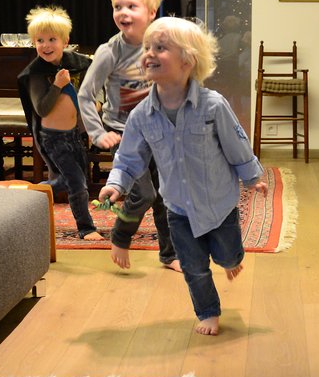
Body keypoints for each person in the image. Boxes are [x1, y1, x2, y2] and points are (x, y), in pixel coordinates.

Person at [98, 17, 267, 336]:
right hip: (177, 208)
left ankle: (232, 259)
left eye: (160, 47)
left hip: (220, 204)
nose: (148, 53)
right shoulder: (141, 115)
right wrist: (115, 184)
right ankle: (207, 311)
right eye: (147, 47)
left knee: (228, 255)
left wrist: (251, 177)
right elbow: (130, 157)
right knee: (193, 267)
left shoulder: (213, 106)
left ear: (188, 60)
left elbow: (236, 144)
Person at [78, 0, 179, 271]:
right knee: (144, 193)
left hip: (158, 133)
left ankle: (170, 254)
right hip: (122, 133)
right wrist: (98, 134)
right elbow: (85, 94)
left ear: (150, 12)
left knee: (166, 194)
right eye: (117, 6)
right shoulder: (109, 52)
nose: (122, 12)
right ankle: (121, 236)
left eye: (131, 6)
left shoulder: (161, 44)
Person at [16, 5, 102, 241]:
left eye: (52, 39)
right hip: (52, 138)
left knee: (70, 180)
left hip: (74, 135)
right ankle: (86, 229)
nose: (45, 45)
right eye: (39, 40)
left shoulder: (80, 63)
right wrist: (57, 85)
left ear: (65, 41)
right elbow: (42, 108)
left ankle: (31, 194)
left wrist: (98, 103)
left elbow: (97, 84)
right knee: (77, 184)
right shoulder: (35, 73)